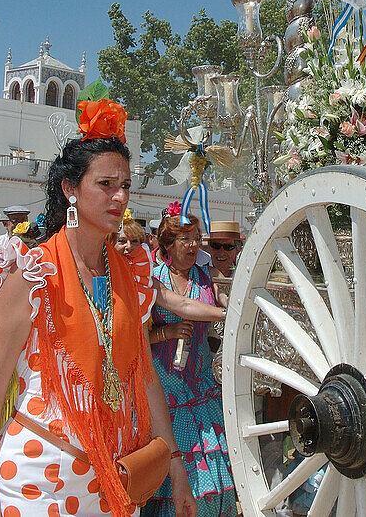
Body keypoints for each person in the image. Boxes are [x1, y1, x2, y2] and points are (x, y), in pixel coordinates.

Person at [0, 99, 205, 517]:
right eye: (105, 184)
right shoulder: (30, 276)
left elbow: (146, 376)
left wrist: (176, 468)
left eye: (126, 185)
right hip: (38, 480)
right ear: (69, 190)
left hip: (117, 479)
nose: (120, 196)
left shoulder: (130, 277)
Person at [144, 215, 235, 516]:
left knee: (209, 470)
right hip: (165, 393)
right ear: (168, 245)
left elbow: (224, 302)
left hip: (202, 389)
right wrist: (166, 333)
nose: (193, 244)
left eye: (196, 238)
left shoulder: (207, 276)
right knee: (173, 464)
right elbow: (140, 335)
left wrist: (231, 308)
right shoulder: (154, 279)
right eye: (185, 239)